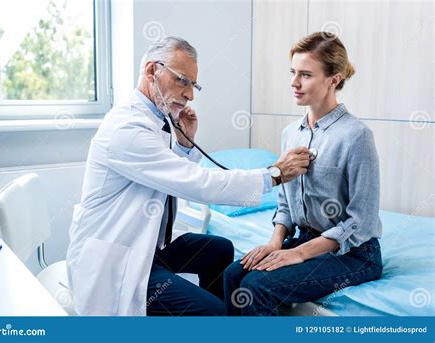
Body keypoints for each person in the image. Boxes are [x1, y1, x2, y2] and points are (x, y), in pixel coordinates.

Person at [66, 36, 310, 316]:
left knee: (220, 249)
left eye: (193, 85)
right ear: (151, 71)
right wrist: (274, 175)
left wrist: (185, 142)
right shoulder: (127, 128)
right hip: (116, 261)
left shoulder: (156, 120)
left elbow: (161, 174)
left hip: (144, 246)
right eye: (182, 80)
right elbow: (196, 183)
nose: (190, 94)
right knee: (211, 311)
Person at [224, 32, 383, 316]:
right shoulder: (290, 134)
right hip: (305, 239)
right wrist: (276, 242)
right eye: (293, 72)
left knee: (257, 286)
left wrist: (296, 254)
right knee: (233, 276)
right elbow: (285, 203)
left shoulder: (356, 136)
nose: (294, 83)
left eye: (306, 75)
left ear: (334, 79)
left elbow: (361, 222)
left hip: (354, 255)